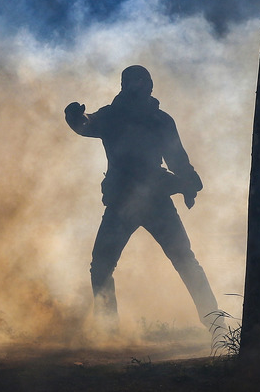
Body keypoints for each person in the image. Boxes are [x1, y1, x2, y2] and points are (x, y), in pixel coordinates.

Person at [64, 65, 224, 335]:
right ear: (125, 86)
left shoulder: (160, 120)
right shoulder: (112, 116)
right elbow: (86, 124)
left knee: (184, 260)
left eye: (143, 81)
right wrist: (74, 117)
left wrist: (189, 183)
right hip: (124, 203)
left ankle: (217, 326)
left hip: (153, 202)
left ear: (149, 86)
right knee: (103, 265)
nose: (139, 87)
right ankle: (108, 331)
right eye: (133, 81)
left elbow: (177, 159)